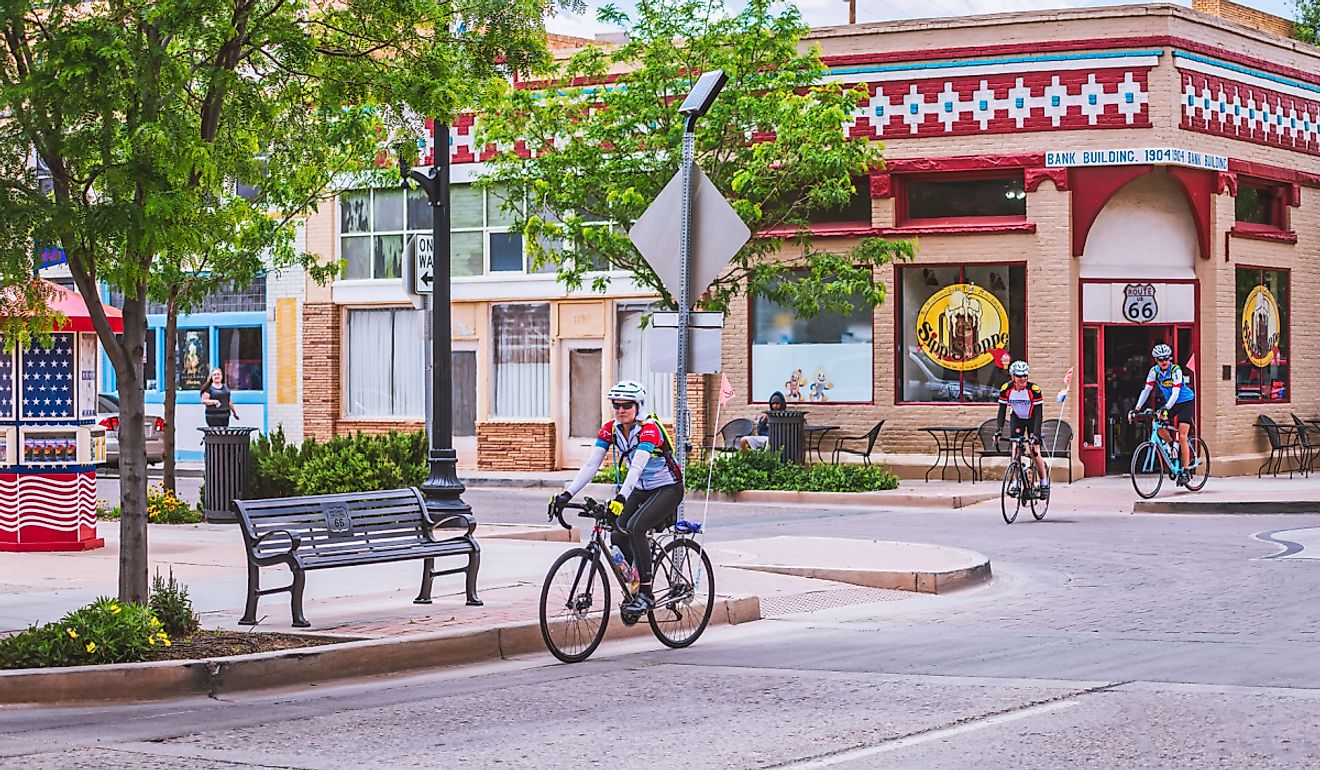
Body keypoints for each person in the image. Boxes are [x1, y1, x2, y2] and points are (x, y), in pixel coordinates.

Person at [551, 380, 683, 621]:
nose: (621, 410)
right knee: (617, 532)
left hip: (667, 488)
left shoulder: (650, 429)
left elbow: (638, 466)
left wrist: (621, 497)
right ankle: (633, 585)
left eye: (627, 405)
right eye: (616, 405)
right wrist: (566, 494)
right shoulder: (611, 429)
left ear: (638, 405)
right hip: (640, 489)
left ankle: (646, 592)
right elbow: (592, 464)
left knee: (635, 528)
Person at [1130, 344, 1196, 485]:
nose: (1164, 362)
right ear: (1156, 360)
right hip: (1171, 403)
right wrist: (1137, 408)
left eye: (1166, 358)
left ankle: (1185, 471)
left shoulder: (1175, 370)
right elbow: (1146, 390)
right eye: (1160, 360)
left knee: (1183, 435)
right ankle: (1173, 446)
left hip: (1185, 402)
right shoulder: (1154, 371)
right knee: (1156, 423)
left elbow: (1176, 393)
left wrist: (1166, 408)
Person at [994, 360, 1049, 496]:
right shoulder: (1006, 389)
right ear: (1013, 377)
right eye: (1019, 376)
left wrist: (1035, 435)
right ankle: (1016, 482)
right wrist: (998, 430)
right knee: (1015, 448)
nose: (1023, 378)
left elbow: (1038, 414)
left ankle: (1043, 482)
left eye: (1025, 375)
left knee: (1034, 451)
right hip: (1017, 418)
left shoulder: (1034, 390)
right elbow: (1001, 411)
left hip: (1032, 419)